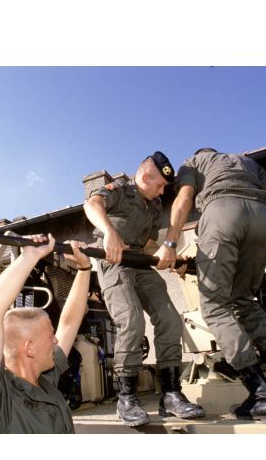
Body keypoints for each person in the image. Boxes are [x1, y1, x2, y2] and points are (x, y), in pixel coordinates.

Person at [156, 148, 266, 424]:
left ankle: (263, 396)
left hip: (222, 213)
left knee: (216, 308)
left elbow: (184, 198)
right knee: (244, 301)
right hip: (261, 218)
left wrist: (170, 244)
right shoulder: (248, 163)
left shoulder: (194, 162)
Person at [83, 151, 205, 427]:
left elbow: (150, 245)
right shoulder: (121, 191)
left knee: (171, 319)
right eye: (160, 185)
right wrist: (110, 234)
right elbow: (91, 205)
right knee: (132, 321)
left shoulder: (153, 207)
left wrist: (170, 256)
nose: (163, 192)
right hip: (113, 263)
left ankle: (171, 394)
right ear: (145, 176)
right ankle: (126, 398)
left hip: (140, 263)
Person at [0, 235, 91, 433]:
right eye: (50, 336)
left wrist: (84, 269)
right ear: (30, 348)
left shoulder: (46, 378)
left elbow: (69, 323)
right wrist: (30, 257)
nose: (56, 340)